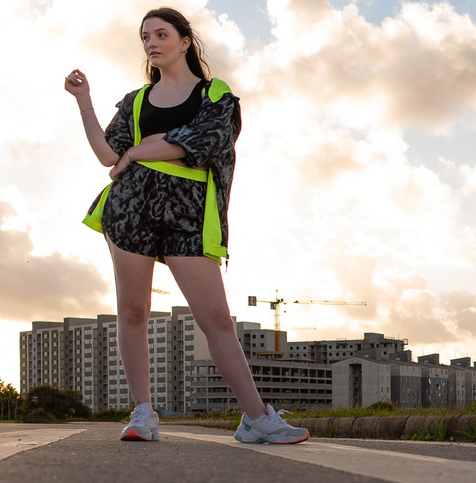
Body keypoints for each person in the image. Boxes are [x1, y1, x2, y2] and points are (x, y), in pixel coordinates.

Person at [64, 7, 308, 445]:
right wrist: (84, 102)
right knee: (132, 312)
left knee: (215, 317)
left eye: (161, 34)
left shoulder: (215, 94)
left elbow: (207, 141)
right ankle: (143, 414)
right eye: (145, 37)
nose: (151, 43)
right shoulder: (137, 101)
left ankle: (255, 418)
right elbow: (106, 154)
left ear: (184, 42)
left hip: (188, 213)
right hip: (131, 207)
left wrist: (139, 152)